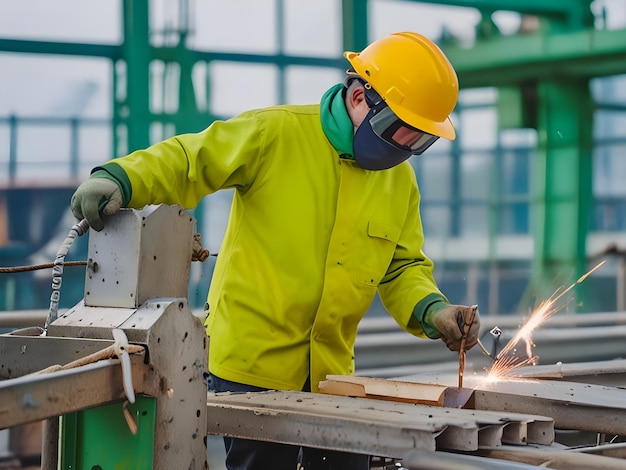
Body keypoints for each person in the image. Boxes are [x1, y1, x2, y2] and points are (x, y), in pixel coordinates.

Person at [71, 31, 481, 470]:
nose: (404, 149)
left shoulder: (399, 183)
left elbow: (401, 268)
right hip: (251, 371)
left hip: (331, 375)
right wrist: (122, 178)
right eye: (399, 131)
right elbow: (192, 160)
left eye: (418, 140)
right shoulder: (276, 133)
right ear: (360, 97)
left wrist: (432, 310)